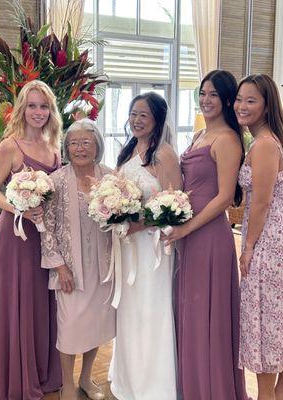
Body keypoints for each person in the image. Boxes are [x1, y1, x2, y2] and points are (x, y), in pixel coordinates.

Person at [165, 70, 249, 400]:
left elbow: (225, 196)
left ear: (227, 100)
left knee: (205, 313)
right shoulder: (200, 134)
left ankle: (211, 389)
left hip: (210, 236)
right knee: (188, 309)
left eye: (214, 94)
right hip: (188, 231)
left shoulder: (227, 138)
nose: (206, 99)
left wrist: (187, 226)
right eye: (203, 92)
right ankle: (192, 385)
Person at [0, 80, 62, 399]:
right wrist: (18, 207)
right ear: (22, 108)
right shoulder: (10, 146)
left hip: (43, 238)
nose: (38, 112)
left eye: (43, 106)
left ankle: (40, 371)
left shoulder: (54, 147)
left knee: (39, 301)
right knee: (16, 303)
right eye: (32, 106)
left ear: (51, 111)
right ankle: (15, 376)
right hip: (14, 237)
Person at [109, 92, 182, 400]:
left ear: (157, 120)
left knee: (151, 311)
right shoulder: (128, 150)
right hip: (128, 246)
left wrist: (140, 224)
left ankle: (154, 386)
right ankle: (128, 379)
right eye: (133, 114)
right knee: (129, 312)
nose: (136, 121)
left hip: (152, 247)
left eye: (144, 116)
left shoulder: (164, 154)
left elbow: (174, 204)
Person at [41, 118, 116, 400]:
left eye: (86, 142)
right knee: (70, 327)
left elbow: (118, 222)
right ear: (66, 147)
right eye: (74, 143)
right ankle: (67, 384)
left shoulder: (109, 177)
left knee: (97, 324)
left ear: (97, 145)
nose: (80, 149)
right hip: (69, 269)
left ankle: (86, 377)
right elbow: (45, 227)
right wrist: (59, 266)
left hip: (103, 267)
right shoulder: (55, 181)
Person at [234, 74, 283, 400]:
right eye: (239, 99)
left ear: (267, 106)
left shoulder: (266, 144)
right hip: (277, 241)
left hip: (270, 245)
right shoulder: (265, 141)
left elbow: (263, 201)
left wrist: (249, 246)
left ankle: (267, 396)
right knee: (277, 319)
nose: (242, 105)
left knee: (266, 322)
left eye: (251, 100)